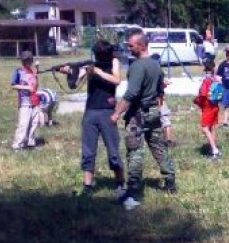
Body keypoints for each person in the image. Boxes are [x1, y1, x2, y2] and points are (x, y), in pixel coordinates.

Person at [110, 30, 177, 211]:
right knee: (158, 147)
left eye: (130, 45)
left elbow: (132, 93)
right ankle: (170, 181)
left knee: (135, 152)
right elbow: (161, 90)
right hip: (154, 112)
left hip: (138, 115)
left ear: (141, 45)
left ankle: (133, 191)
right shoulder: (156, 65)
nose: (128, 48)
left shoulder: (137, 66)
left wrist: (116, 113)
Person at [58, 40, 125, 197]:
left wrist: (98, 72)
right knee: (88, 150)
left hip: (107, 111)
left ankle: (120, 182)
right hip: (91, 111)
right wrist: (71, 73)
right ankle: (87, 186)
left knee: (113, 151)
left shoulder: (113, 62)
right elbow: (74, 85)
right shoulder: (90, 66)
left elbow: (117, 80)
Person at [11, 51, 42, 151]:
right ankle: (17, 145)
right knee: (23, 124)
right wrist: (26, 87)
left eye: (29, 61)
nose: (27, 63)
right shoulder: (19, 71)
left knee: (34, 123)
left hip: (34, 101)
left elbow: (36, 85)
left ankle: (30, 143)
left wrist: (37, 72)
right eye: (25, 61)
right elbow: (13, 85)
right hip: (25, 102)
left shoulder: (32, 71)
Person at [195, 58, 222, 160]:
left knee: (205, 128)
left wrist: (197, 100)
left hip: (207, 107)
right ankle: (212, 148)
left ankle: (215, 150)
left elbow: (203, 94)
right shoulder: (216, 79)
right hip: (215, 106)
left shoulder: (206, 80)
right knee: (212, 127)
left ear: (205, 68)